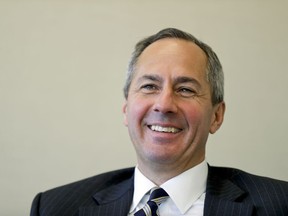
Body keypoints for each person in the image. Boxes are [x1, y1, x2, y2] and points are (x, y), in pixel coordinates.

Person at [30, 28, 288, 216]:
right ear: (126, 108)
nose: (164, 105)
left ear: (216, 116)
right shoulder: (55, 207)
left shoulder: (280, 204)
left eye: (185, 89)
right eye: (150, 86)